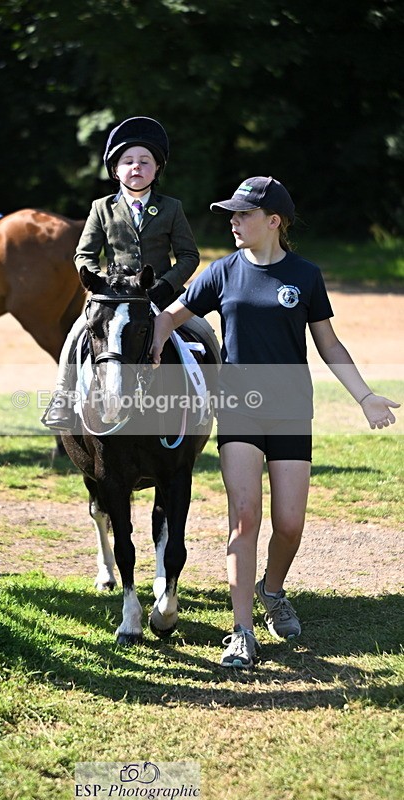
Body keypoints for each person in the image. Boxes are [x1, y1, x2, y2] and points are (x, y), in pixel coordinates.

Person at [150, 176, 400, 669]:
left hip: (290, 408)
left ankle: (273, 588)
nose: (234, 222)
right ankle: (241, 631)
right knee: (244, 520)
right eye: (232, 215)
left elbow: (328, 343)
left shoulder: (306, 276)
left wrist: (365, 396)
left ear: (274, 222)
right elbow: (170, 316)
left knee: (289, 524)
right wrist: (152, 348)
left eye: (243, 215)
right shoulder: (221, 272)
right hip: (239, 408)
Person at [42, 116, 220, 430]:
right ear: (115, 170)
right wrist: (98, 282)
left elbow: (189, 255)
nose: (136, 167)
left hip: (161, 296)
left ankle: (217, 399)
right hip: (114, 298)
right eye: (128, 161)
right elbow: (84, 254)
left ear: (157, 169)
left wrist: (167, 285)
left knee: (204, 331)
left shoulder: (171, 208)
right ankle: (61, 398)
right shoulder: (101, 208)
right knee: (75, 334)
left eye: (144, 161)